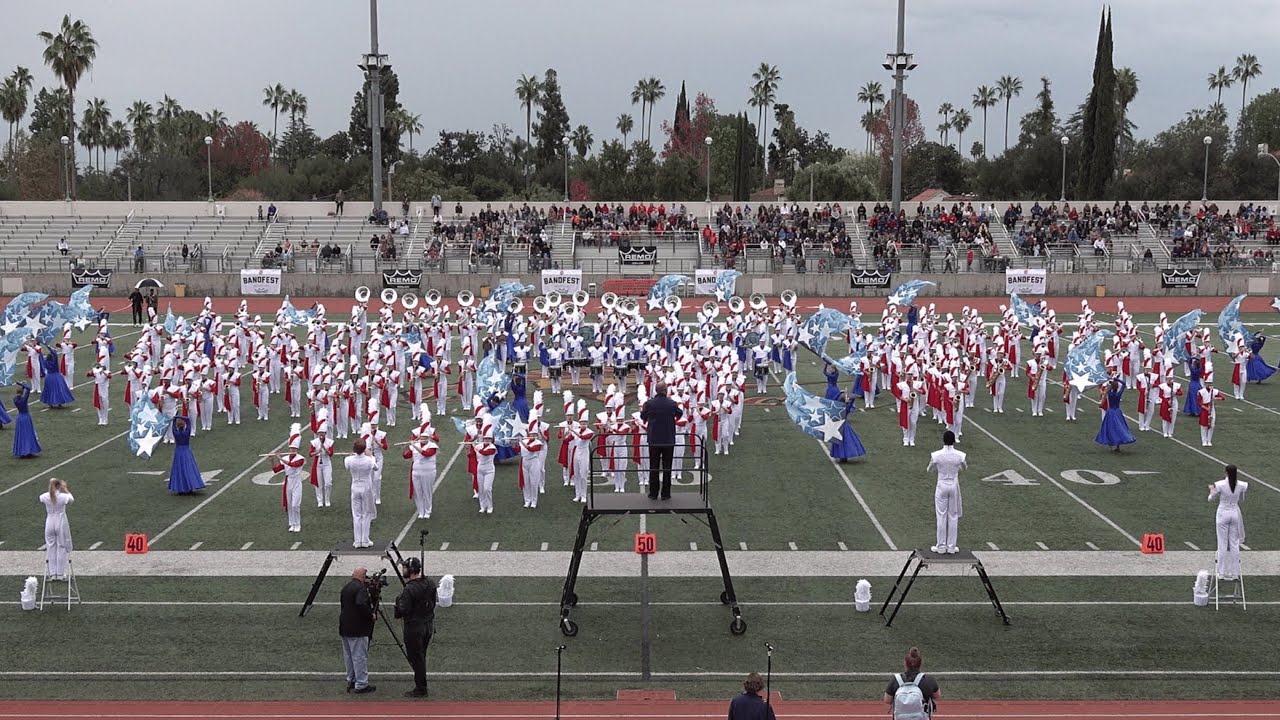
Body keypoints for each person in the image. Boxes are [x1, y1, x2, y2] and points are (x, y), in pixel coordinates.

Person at [394, 556, 437, 698]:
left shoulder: (409, 589)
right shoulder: (430, 583)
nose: (403, 570)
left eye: (405, 567)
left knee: (416, 658)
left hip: (414, 627)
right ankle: (421, 684)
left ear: (411, 570)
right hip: (428, 624)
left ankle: (421, 687)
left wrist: (398, 603)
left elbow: (402, 611)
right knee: (421, 655)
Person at [641, 382, 682, 500]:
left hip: (654, 439)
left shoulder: (649, 403)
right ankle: (665, 494)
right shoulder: (671, 403)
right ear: (665, 390)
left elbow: (643, 416)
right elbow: (679, 413)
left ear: (656, 390)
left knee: (654, 466)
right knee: (667, 467)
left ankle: (653, 493)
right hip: (668, 439)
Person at [927, 430, 967, 554]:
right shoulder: (960, 455)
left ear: (943, 440)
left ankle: (940, 546)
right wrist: (956, 467)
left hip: (942, 484)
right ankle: (951, 547)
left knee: (941, 515)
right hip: (953, 484)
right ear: (954, 441)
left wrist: (938, 467)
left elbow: (929, 470)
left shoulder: (936, 455)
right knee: (953, 516)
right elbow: (964, 467)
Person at [339, 567, 377, 694]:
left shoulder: (346, 588)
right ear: (363, 576)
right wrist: (371, 615)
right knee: (359, 656)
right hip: (358, 628)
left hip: (345, 626)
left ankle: (351, 679)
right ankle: (361, 684)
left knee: (349, 656)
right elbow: (361, 604)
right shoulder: (361, 589)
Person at [1208, 464, 1248, 581]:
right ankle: (1235, 573)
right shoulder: (1241, 485)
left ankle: (1221, 572)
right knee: (1234, 544)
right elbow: (1243, 495)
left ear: (1226, 472)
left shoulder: (1220, 484)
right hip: (1234, 513)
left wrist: (1211, 490)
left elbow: (1211, 499)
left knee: (1222, 544)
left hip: (1222, 514)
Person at [884, 646, 940, 720]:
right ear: (920, 663)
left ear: (905, 663)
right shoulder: (929, 679)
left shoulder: (895, 679)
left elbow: (887, 700)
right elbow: (937, 696)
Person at [345, 439, 378, 548]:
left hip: (355, 487)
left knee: (356, 514)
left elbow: (347, 466)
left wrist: (352, 455)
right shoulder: (369, 460)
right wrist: (371, 456)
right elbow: (376, 468)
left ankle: (357, 541)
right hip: (366, 487)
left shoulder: (348, 459)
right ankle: (364, 540)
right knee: (366, 513)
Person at [40, 478, 73, 580]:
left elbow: (41, 498)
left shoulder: (45, 496)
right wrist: (65, 489)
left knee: (50, 547)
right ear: (59, 486)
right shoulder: (63, 496)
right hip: (60, 521)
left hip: (49, 522)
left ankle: (52, 573)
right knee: (61, 546)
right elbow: (71, 499)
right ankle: (60, 574)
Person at [1094, 377, 1136, 452]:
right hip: (1117, 411)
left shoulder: (1109, 393)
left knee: (1109, 427)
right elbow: (1124, 384)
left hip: (1110, 412)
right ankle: (1117, 446)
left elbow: (1105, 395)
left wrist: (1111, 383)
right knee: (1118, 428)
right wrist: (1117, 379)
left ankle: (1110, 444)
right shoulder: (1118, 394)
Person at [167, 416, 206, 494]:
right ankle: (190, 486)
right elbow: (188, 420)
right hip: (187, 451)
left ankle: (180, 488)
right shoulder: (187, 433)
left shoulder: (176, 433)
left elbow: (173, 427)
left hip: (178, 452)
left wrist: (175, 419)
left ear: (177, 426)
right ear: (184, 425)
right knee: (188, 468)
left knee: (179, 469)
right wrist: (178, 416)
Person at [12, 382, 41, 458]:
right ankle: (28, 450)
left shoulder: (15, 399)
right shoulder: (24, 399)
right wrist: (22, 385)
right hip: (26, 417)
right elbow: (28, 388)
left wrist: (20, 386)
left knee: (21, 435)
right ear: (22, 393)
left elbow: (22, 393)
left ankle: (21, 451)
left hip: (19, 418)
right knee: (28, 434)